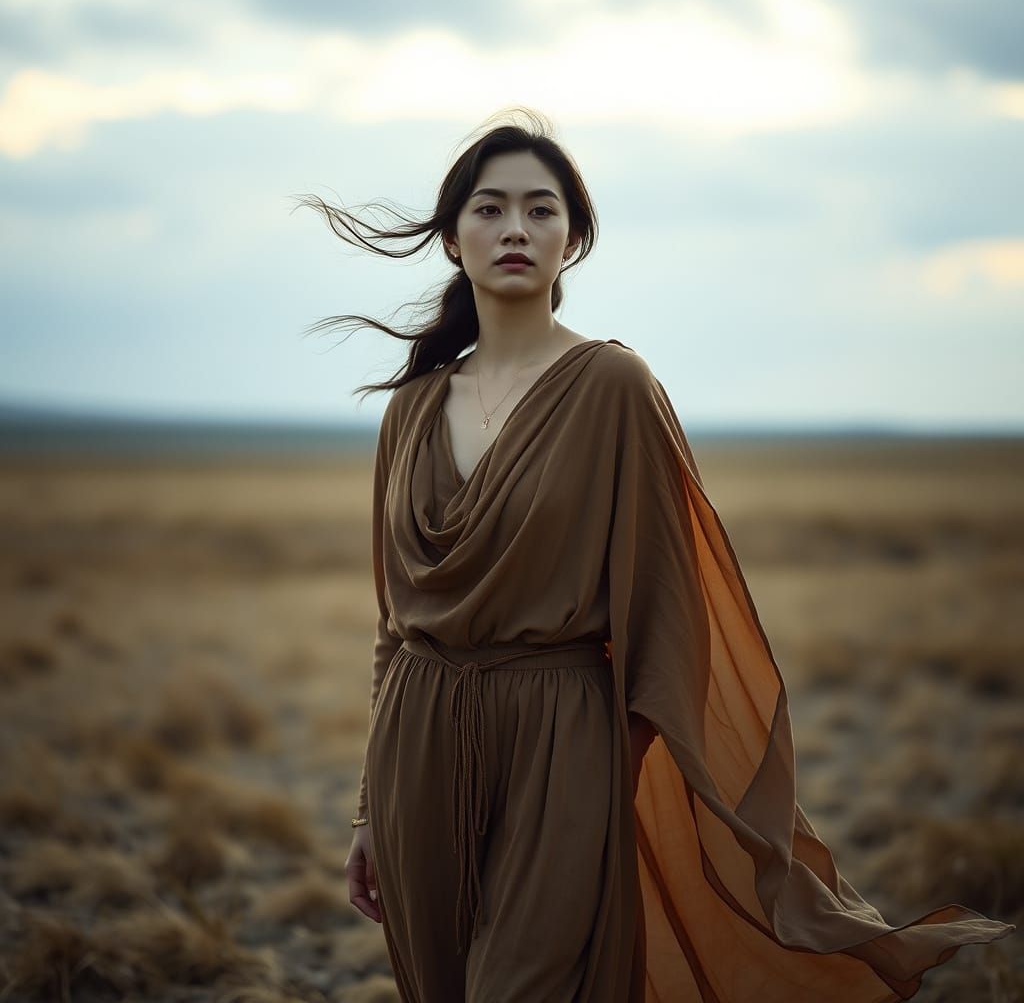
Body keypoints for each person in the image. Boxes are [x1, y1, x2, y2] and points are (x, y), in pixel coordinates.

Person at [296, 109, 1015, 1002]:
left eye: (541, 209)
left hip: (561, 736)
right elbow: (392, 628)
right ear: (451, 237)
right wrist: (370, 810)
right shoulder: (411, 410)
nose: (515, 228)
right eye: (489, 209)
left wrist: (615, 771)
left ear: (575, 239)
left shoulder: (614, 388)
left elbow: (671, 607)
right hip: (417, 744)